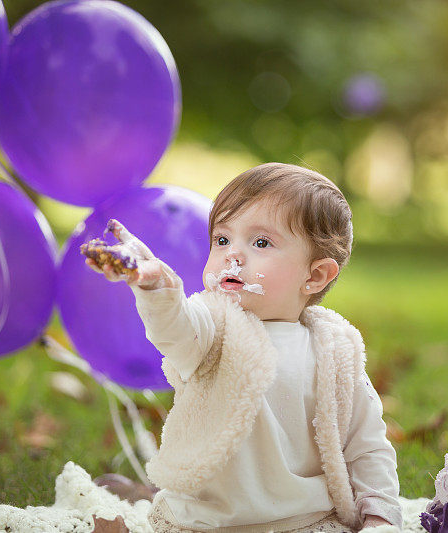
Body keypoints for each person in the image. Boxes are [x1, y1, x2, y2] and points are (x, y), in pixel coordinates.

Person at [85, 163, 402, 532]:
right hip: (205, 522)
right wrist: (157, 288)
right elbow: (174, 329)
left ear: (314, 276)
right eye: (222, 240)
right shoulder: (212, 326)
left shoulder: (336, 352)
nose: (232, 255)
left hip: (306, 521)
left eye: (261, 242)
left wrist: (380, 519)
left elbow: (367, 447)